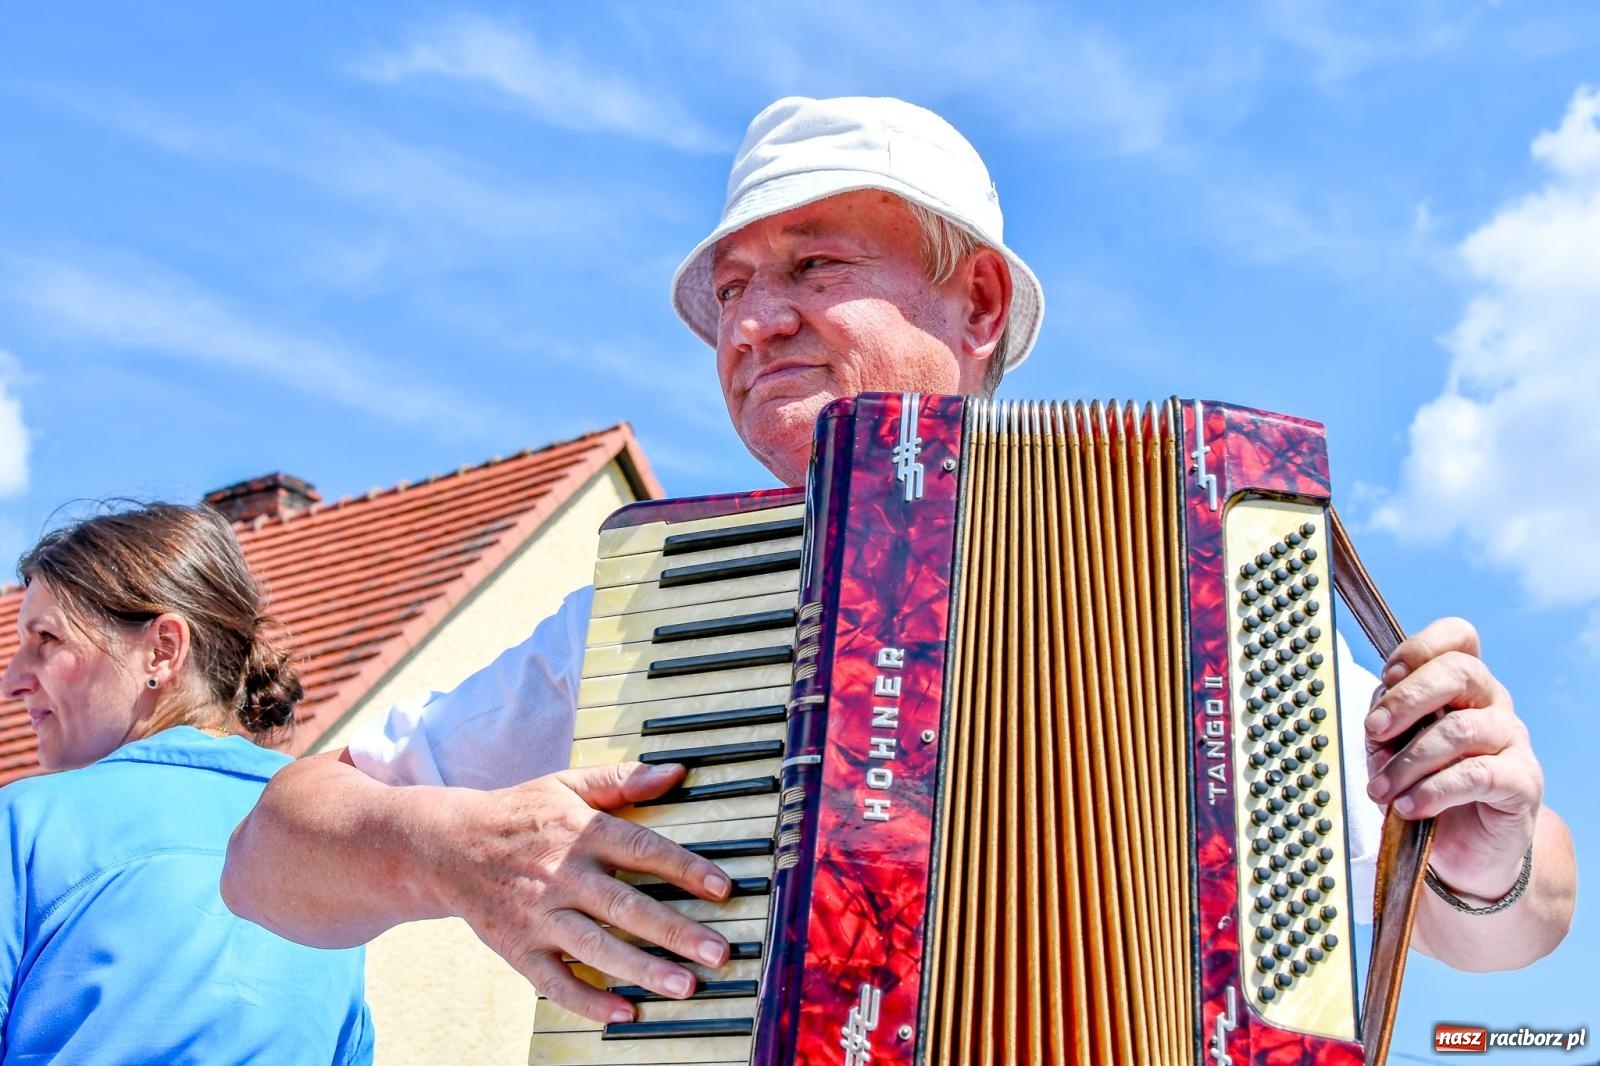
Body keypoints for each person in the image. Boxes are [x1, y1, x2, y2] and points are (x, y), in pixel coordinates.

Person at [222, 96, 1576, 1024]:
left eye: (811, 263)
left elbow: (1507, 927)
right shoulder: (659, 617)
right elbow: (270, 854)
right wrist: (443, 847)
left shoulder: (1206, 576)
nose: (756, 321)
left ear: (976, 301)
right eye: (732, 289)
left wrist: (1492, 842)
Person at [0, 503, 373, 1063]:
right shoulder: (335, 828)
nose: (12, 681)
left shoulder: (27, 824)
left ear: (163, 649)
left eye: (46, 639)